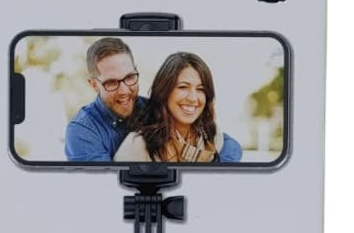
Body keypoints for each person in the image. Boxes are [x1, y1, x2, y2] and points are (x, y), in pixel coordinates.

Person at [113, 52, 242, 164]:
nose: (193, 98)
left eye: (200, 89)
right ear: (164, 91)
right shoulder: (138, 145)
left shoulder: (213, 138)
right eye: (183, 87)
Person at [64, 37, 150, 161]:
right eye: (111, 82)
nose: (124, 91)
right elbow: (106, 175)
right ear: (94, 85)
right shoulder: (82, 131)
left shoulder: (156, 109)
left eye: (129, 77)